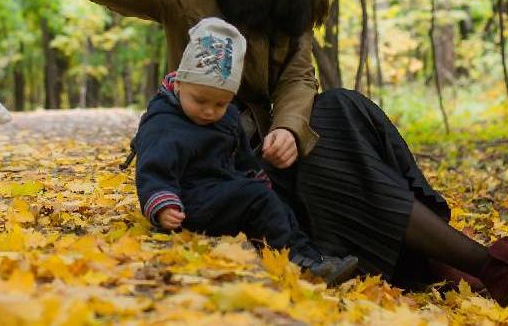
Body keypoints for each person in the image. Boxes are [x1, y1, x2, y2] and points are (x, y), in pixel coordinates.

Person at [3, 0, 508, 304]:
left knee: (348, 109)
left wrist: (287, 125)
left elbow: (299, 76)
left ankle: (457, 265)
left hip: (275, 144)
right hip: (225, 155)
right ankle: (485, 265)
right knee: (338, 124)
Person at [134, 17, 359, 286]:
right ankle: (293, 261)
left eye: (220, 103)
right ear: (180, 84)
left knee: (276, 202)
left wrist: (259, 179)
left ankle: (312, 258)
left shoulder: (227, 118)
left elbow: (242, 159)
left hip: (223, 191)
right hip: (187, 201)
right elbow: (152, 170)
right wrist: (162, 204)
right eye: (200, 100)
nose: (209, 111)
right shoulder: (163, 122)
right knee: (255, 199)